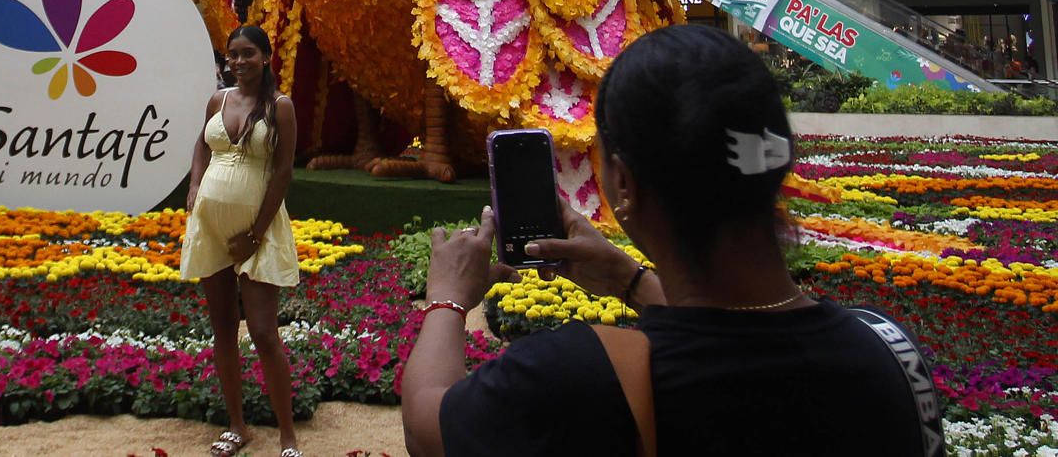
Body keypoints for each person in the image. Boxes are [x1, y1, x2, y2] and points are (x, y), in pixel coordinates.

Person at [401, 24, 932, 457]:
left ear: (624, 183)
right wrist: (630, 281)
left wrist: (447, 299)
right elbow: (735, 336)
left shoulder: (583, 374)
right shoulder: (891, 351)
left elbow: (429, 427)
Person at [180, 24, 303, 457]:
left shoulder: (280, 106)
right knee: (223, 329)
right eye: (232, 54)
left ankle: (287, 436)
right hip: (210, 229)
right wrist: (195, 185)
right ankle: (237, 426)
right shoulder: (219, 99)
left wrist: (255, 235)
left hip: (259, 230)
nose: (238, 61)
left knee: (265, 332)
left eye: (247, 53)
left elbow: (284, 171)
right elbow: (201, 145)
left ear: (266, 56)